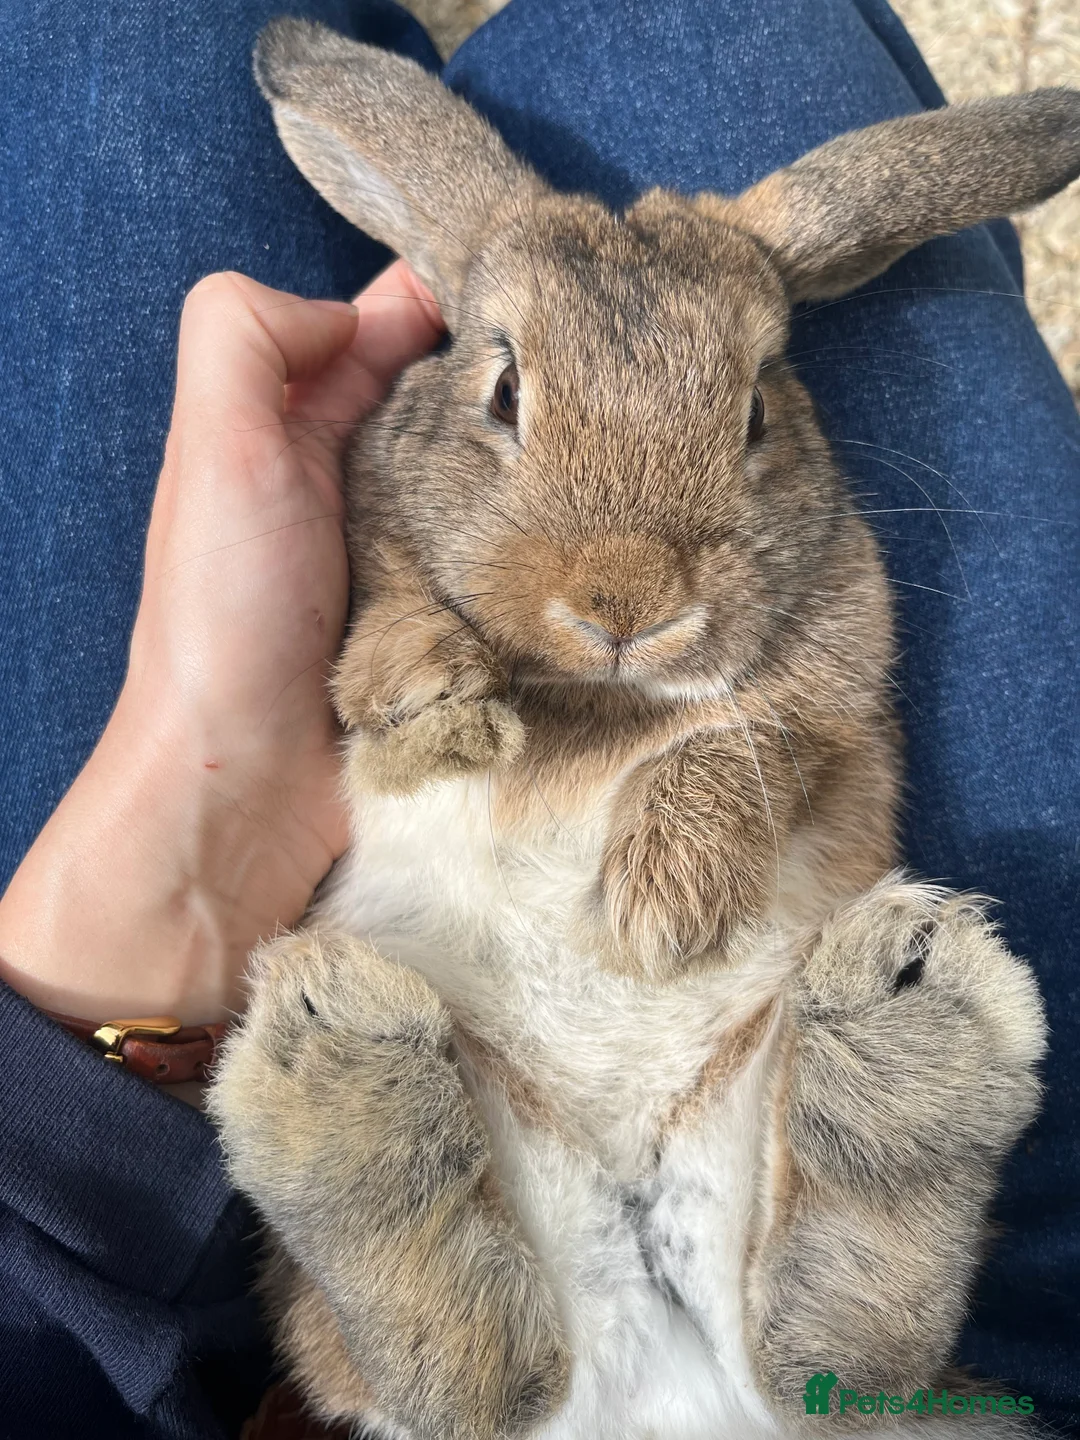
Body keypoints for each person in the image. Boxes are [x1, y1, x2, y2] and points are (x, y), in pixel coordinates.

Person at [0, 1, 1077, 1437]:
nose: (623, 593)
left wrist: (734, 780)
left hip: (155, 1296)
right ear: (473, 382)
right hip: (965, 1358)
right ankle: (851, 1320)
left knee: (116, 41)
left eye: (751, 421)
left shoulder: (806, 584)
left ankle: (462, 1343)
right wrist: (402, 659)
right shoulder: (408, 507)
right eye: (506, 398)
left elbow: (827, 704)